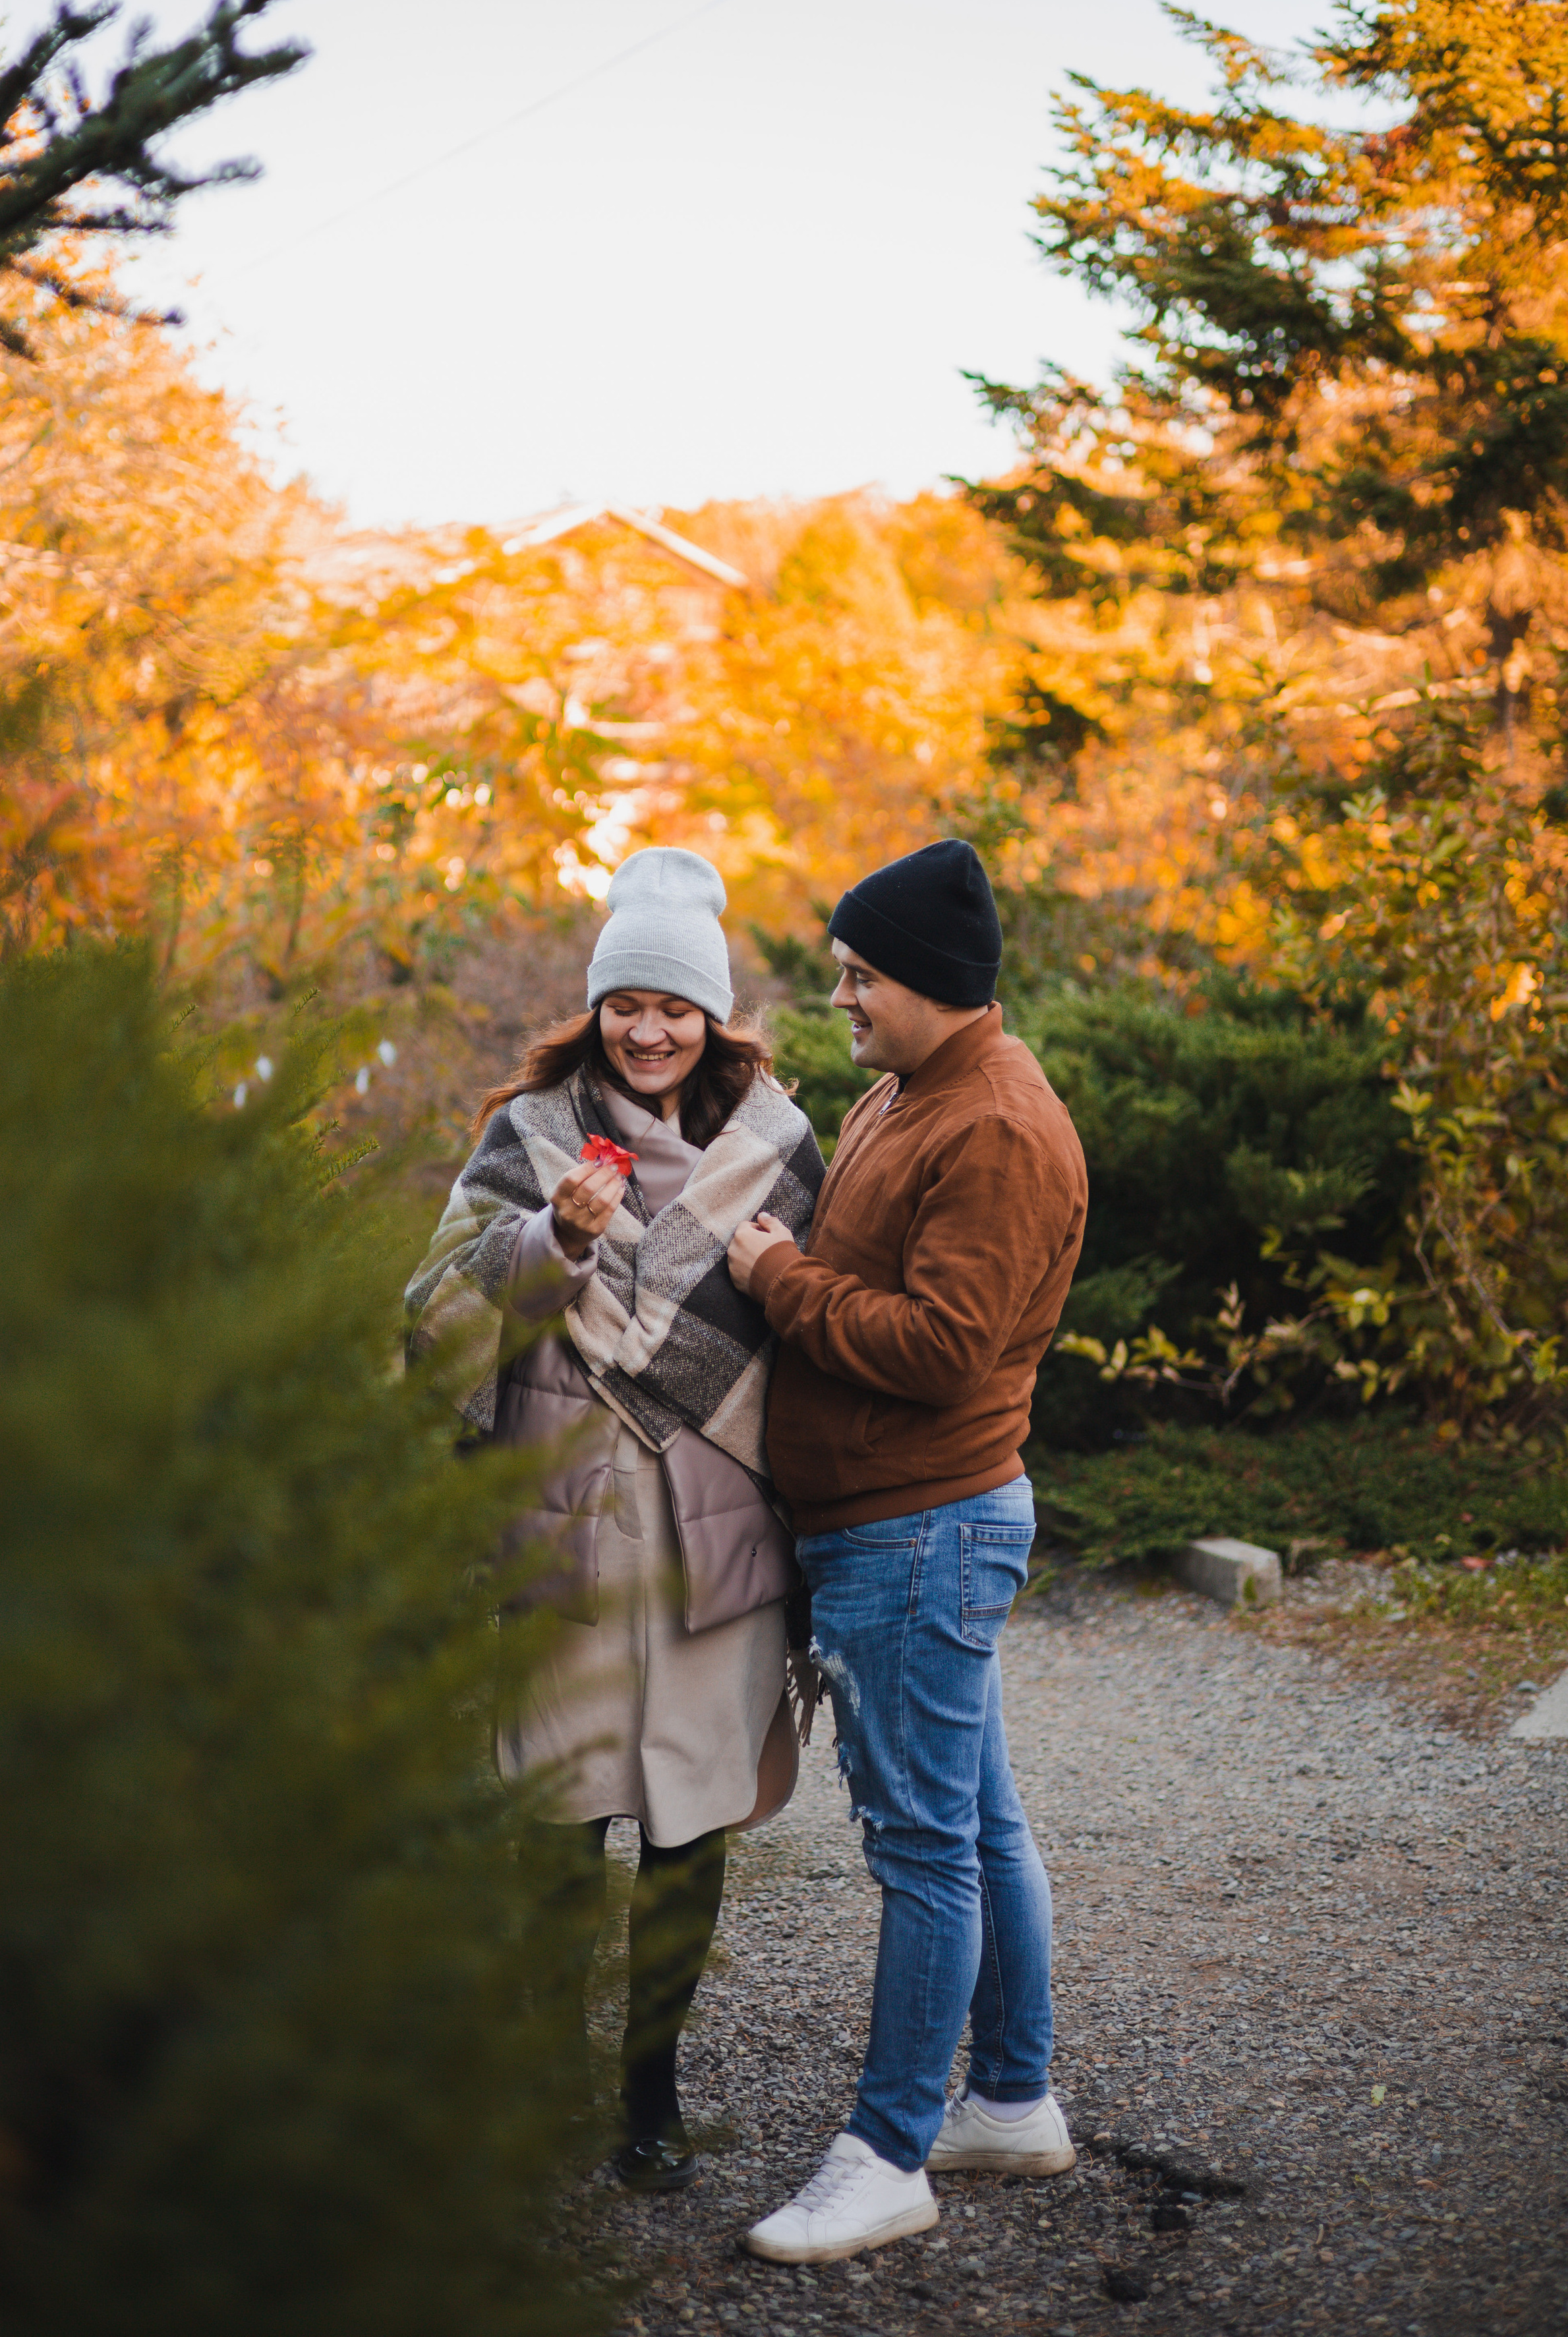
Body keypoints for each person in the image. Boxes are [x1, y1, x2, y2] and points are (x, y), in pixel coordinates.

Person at [405, 846, 826, 2193]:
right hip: (568, 1533)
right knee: (562, 1817)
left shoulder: (774, 1149)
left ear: (713, 1017)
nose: (649, 1031)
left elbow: (812, 1326)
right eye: (626, 1004)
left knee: (689, 1826)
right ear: (594, 1008)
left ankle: (651, 2094)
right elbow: (431, 1322)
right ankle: (549, 2075)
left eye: (675, 1006)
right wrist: (555, 1245)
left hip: (717, 1541)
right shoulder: (527, 1135)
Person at [726, 838, 1088, 2264]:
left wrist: (779, 1277)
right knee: (977, 1825)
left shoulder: (993, 1128)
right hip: (892, 1522)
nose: (840, 996)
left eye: (860, 973)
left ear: (930, 980)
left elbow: (941, 1349)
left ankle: (885, 2156)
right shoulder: (907, 1092)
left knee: (924, 1850)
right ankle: (1009, 2100)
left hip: (918, 1525)